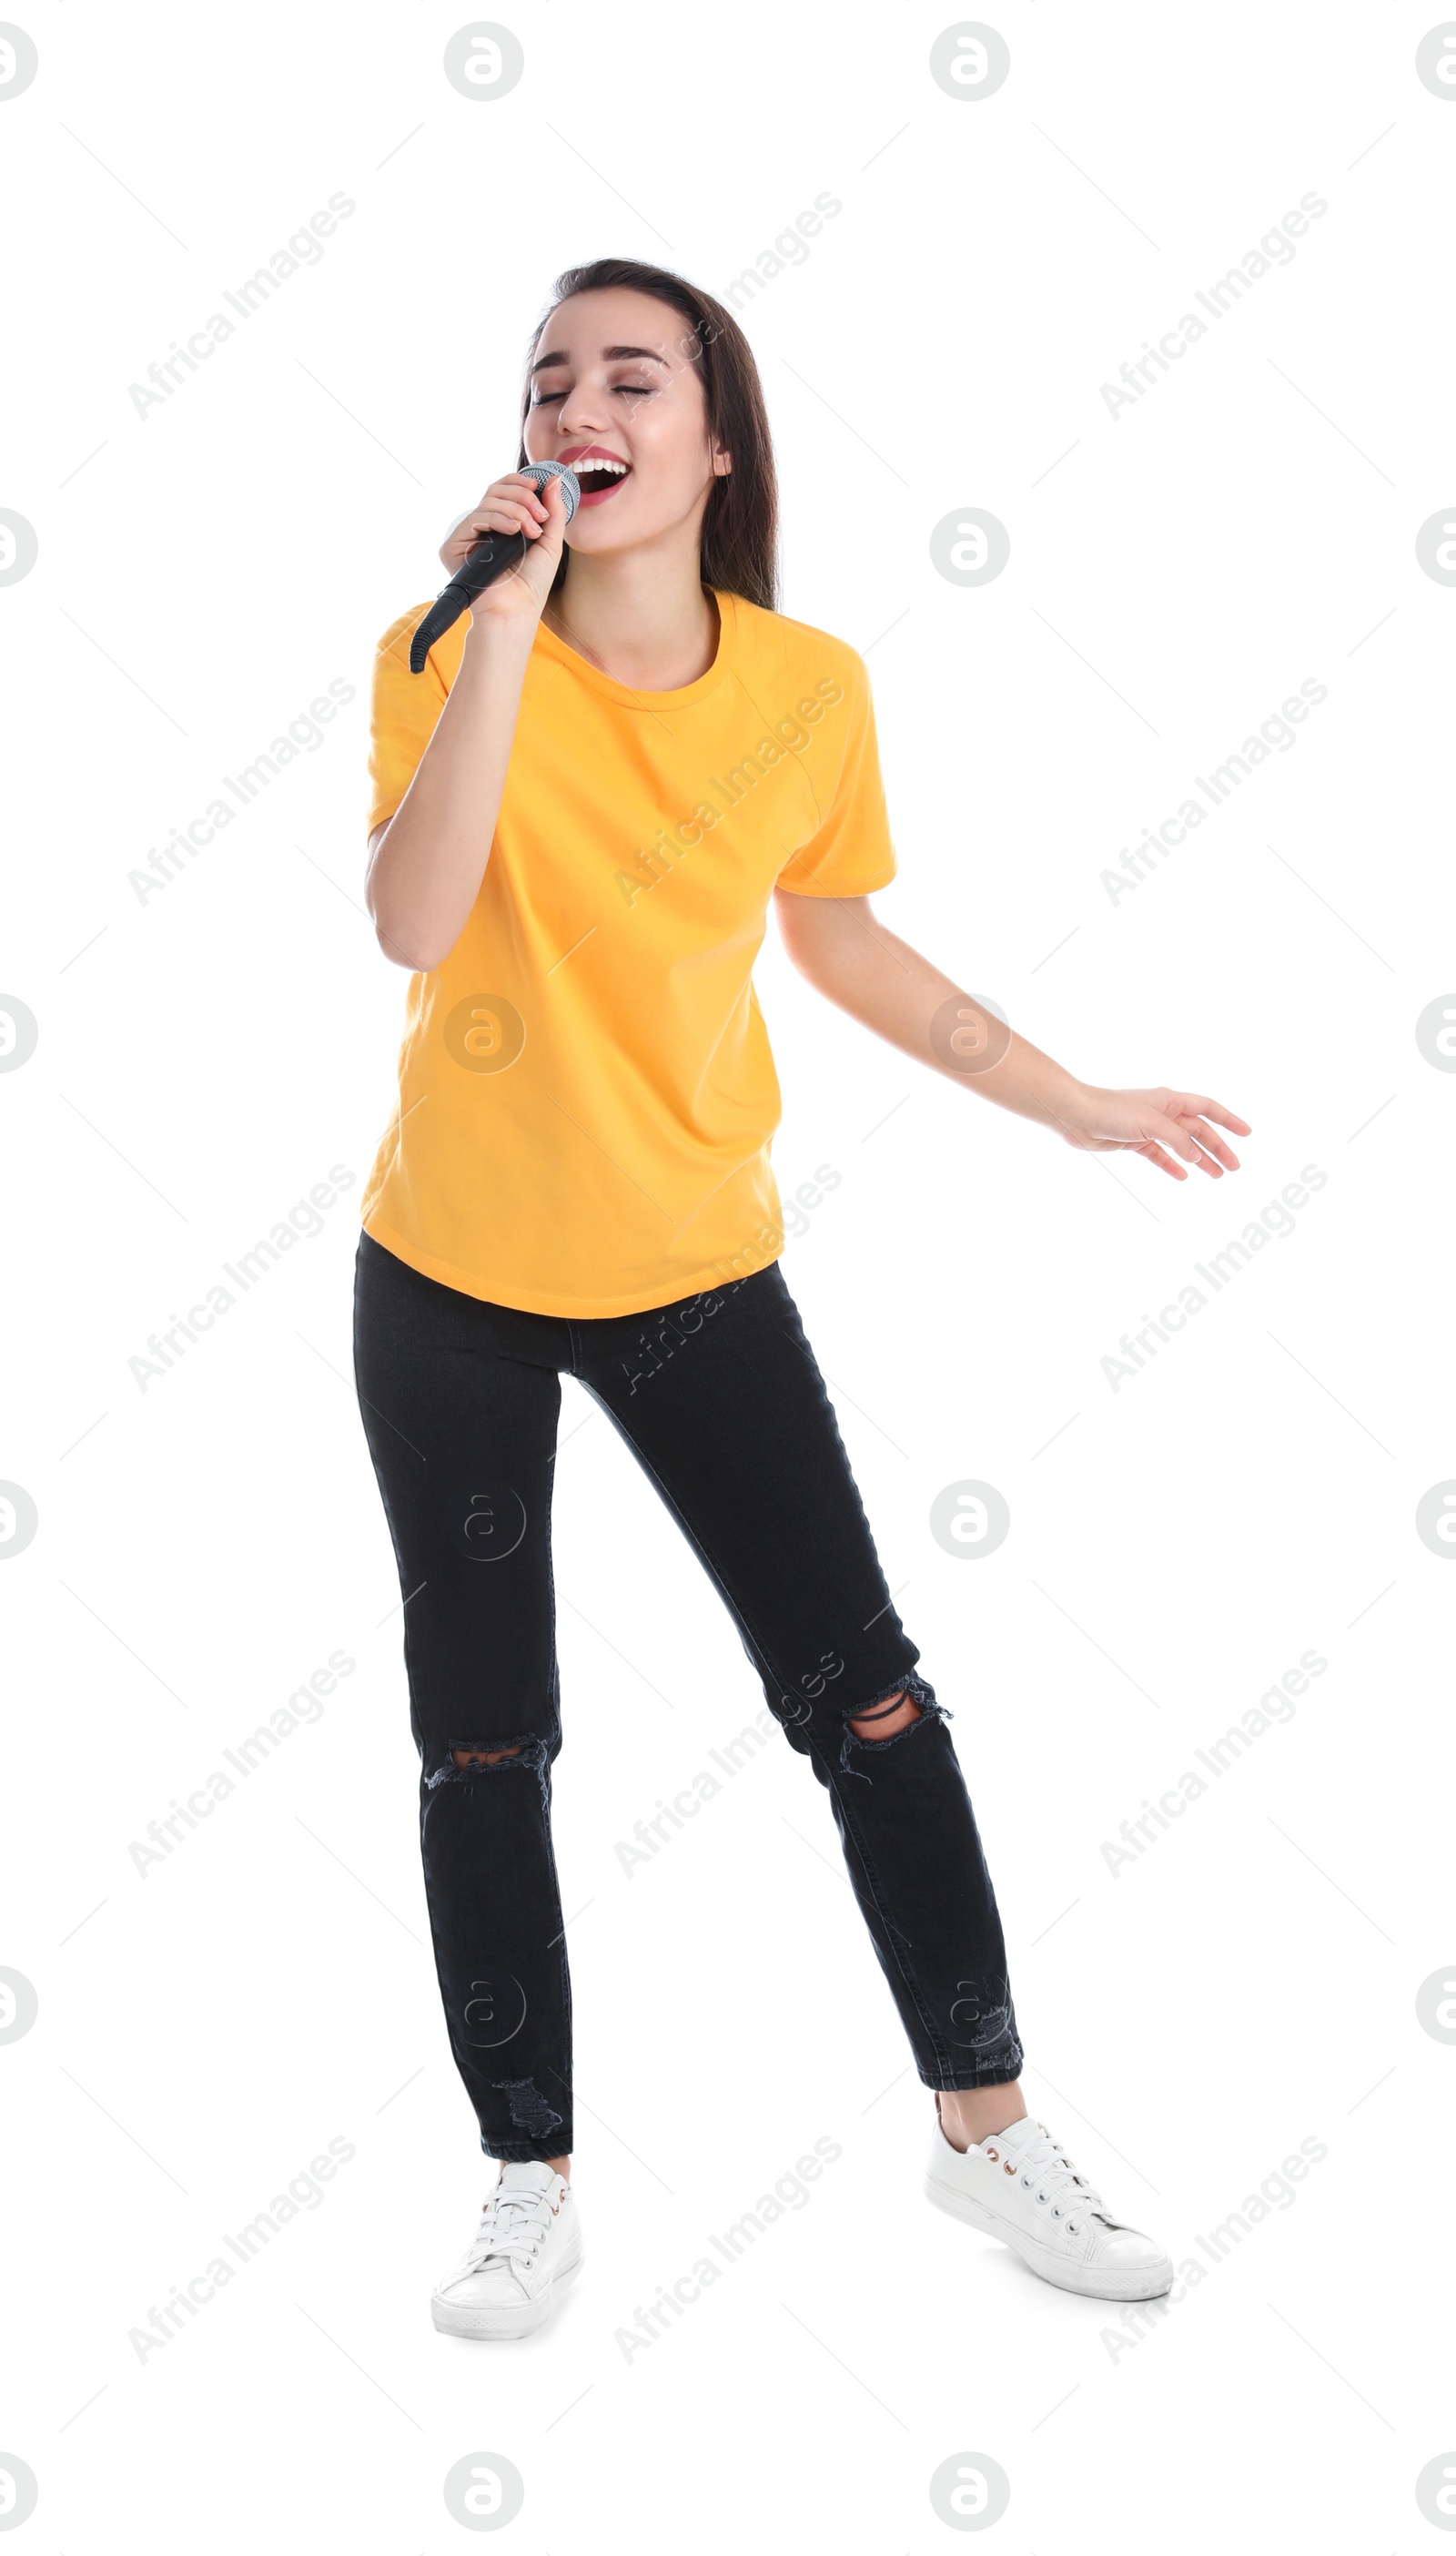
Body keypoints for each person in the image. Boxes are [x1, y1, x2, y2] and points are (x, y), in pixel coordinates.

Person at [352, 257, 1250, 2343]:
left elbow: (844, 947)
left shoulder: (805, 685)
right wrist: (489, 627)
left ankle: (985, 2129)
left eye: (629, 374)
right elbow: (412, 917)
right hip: (452, 1278)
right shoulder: (442, 644)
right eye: (549, 376)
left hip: (690, 1273)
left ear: (711, 442)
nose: (582, 400)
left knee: (869, 1700)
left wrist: (1070, 1105)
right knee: (482, 1739)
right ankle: (525, 2176)